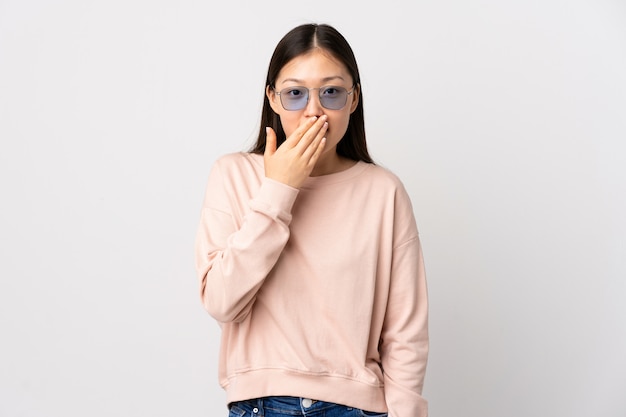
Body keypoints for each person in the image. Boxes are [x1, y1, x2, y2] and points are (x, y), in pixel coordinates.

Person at [195, 23, 429, 417]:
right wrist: (279, 190)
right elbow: (222, 301)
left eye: (332, 92)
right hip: (262, 404)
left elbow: (405, 333)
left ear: (353, 100)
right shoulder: (233, 175)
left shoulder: (383, 191)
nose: (314, 110)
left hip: (356, 408)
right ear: (273, 98)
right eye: (295, 93)